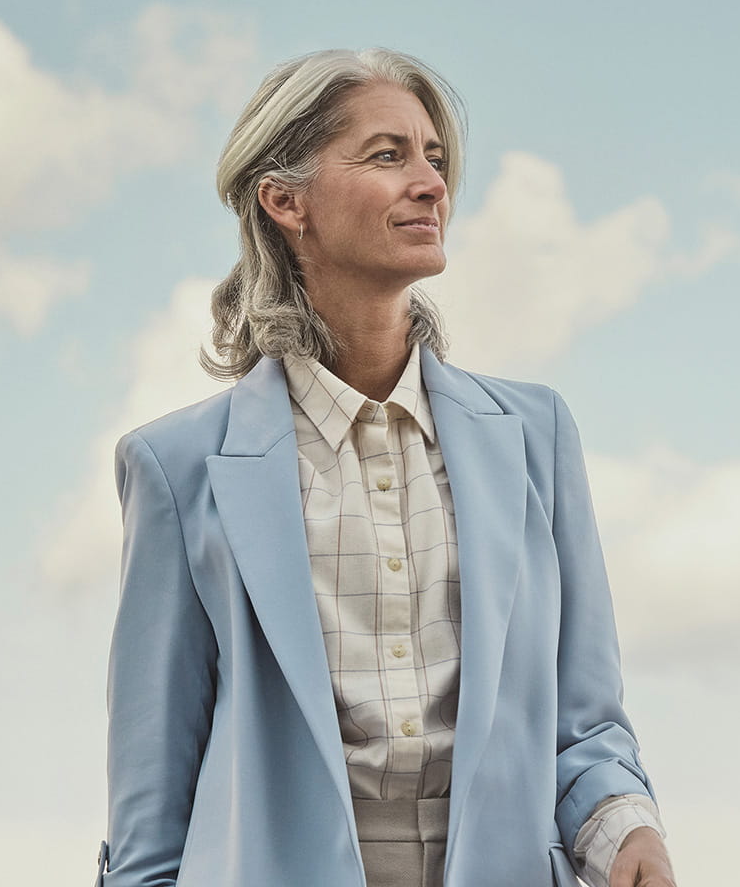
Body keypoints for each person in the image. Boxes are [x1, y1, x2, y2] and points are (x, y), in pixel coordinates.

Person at [94, 48, 677, 887]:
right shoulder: (178, 468)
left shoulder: (535, 435)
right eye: (388, 155)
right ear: (285, 201)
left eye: (435, 158)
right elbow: (151, 808)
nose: (432, 182)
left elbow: (584, 730)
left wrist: (627, 833)